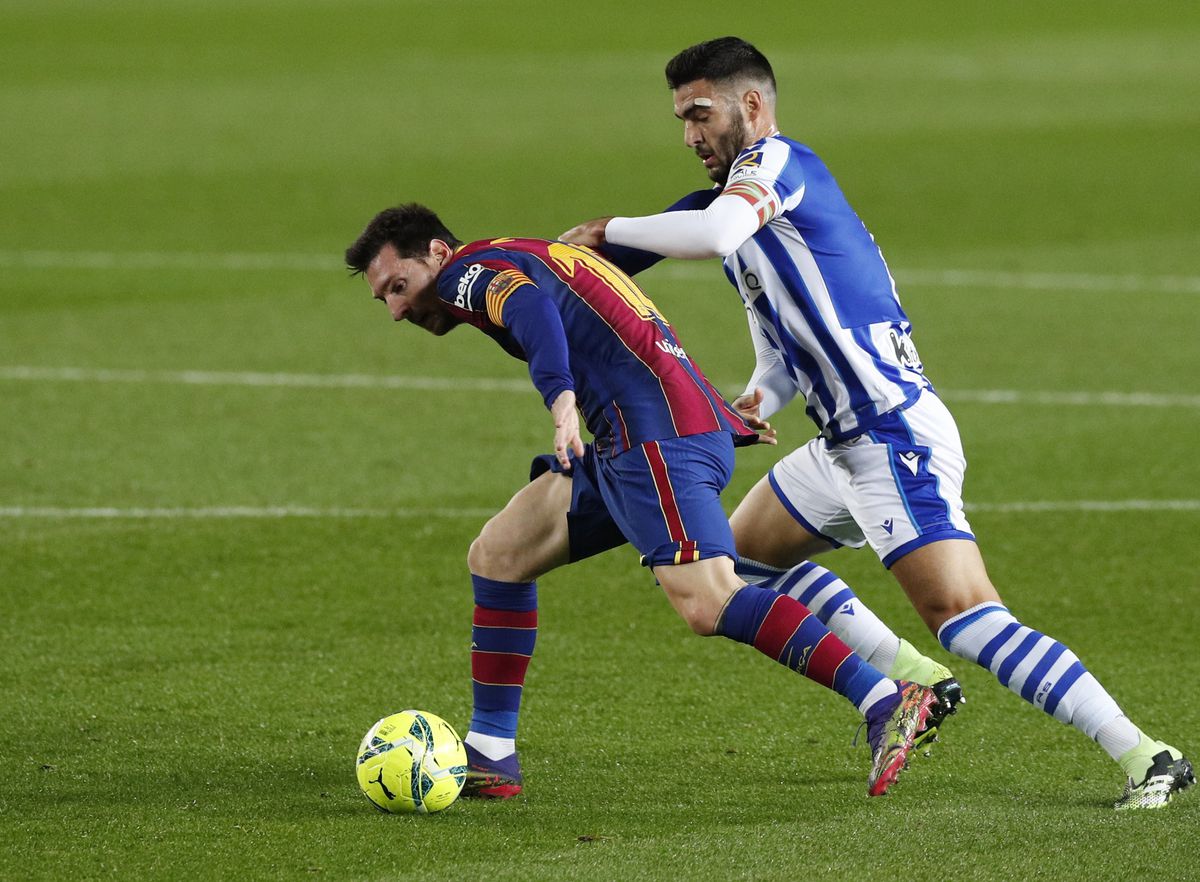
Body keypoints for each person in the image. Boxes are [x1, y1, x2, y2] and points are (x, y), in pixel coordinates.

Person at [559, 36, 1194, 810]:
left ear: (751, 106)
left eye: (700, 113)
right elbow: (783, 350)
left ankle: (1145, 753)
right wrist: (756, 400)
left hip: (891, 436)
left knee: (963, 615)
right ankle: (915, 684)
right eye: (681, 120)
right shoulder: (753, 220)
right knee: (744, 562)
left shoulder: (773, 168)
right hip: (840, 445)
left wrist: (609, 229)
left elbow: (715, 230)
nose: (690, 134)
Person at [344, 203, 946, 800]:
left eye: (400, 286)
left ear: (439, 254)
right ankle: (492, 753)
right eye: (383, 300)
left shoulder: (467, 275)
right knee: (499, 554)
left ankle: (884, 697)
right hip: (636, 436)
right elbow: (628, 320)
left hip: (652, 440)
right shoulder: (532, 251)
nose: (398, 309)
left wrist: (560, 400)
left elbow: (530, 309)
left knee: (708, 601)